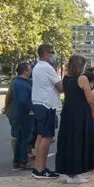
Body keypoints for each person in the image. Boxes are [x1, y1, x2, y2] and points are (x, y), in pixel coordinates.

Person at [55, 55, 94, 184]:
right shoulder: (82, 78)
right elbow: (90, 98)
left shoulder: (66, 78)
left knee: (68, 141)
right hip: (80, 112)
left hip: (68, 112)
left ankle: (68, 171)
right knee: (79, 140)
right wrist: (93, 112)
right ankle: (76, 172)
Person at [30, 43, 63, 179]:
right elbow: (60, 87)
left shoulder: (37, 67)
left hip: (38, 103)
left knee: (40, 136)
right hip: (46, 105)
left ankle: (37, 167)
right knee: (47, 138)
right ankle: (41, 169)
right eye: (52, 52)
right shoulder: (48, 68)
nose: (53, 55)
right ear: (46, 54)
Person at [10, 63, 34, 170]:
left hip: (19, 114)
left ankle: (17, 161)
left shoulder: (18, 82)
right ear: (25, 71)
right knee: (25, 139)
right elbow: (23, 100)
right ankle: (23, 161)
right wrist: (31, 110)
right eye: (30, 69)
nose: (31, 71)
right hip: (25, 114)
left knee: (20, 138)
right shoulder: (22, 84)